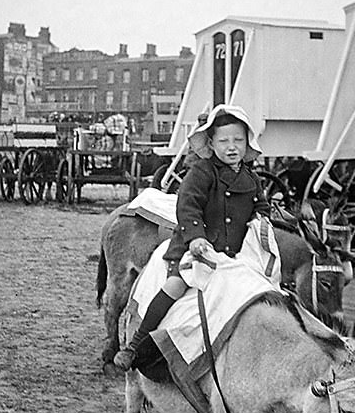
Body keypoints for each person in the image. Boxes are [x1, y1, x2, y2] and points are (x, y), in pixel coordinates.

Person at [114, 104, 271, 371]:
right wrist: (196, 237)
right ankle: (135, 345)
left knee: (263, 289)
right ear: (211, 143)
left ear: (247, 143)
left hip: (234, 253)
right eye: (224, 141)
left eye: (238, 141)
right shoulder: (202, 172)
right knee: (176, 284)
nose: (231, 147)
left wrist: (262, 222)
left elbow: (261, 207)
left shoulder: (251, 179)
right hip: (195, 247)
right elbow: (188, 207)